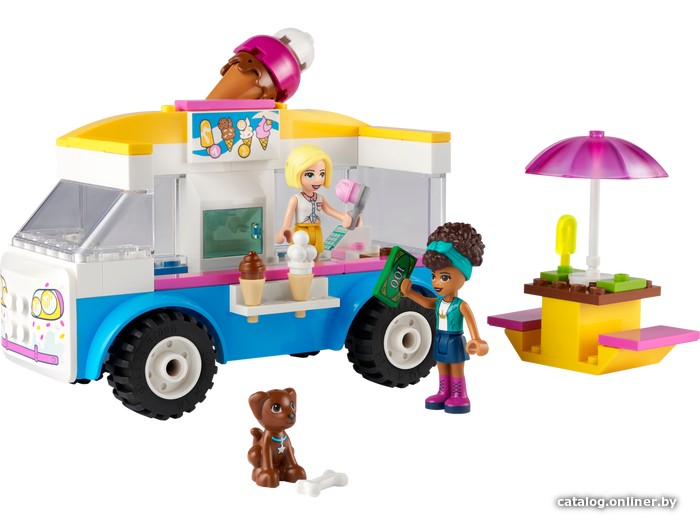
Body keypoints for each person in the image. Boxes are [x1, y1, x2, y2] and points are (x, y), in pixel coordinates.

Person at [400, 222, 488, 414]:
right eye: (434, 276)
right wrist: (409, 293)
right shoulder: (439, 302)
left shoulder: (461, 305)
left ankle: (460, 395)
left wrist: (476, 339)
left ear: (463, 276)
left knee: (456, 368)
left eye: (445, 277)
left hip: (455, 340)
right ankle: (443, 392)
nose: (436, 283)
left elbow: (471, 323)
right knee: (441, 366)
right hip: (440, 338)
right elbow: (427, 303)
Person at [276, 145, 352, 257]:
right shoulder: (296, 199)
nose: (318, 179)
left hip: (317, 231)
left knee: (317, 254)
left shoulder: (320, 198)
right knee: (299, 256)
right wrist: (284, 229)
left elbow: (329, 210)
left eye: (322, 174)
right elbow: (288, 219)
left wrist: (342, 217)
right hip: (301, 232)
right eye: (310, 174)